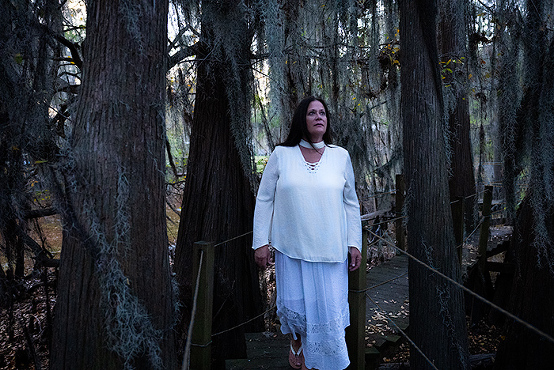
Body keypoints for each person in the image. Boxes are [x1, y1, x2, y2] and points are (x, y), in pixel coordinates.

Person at [252, 96, 362, 370]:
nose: (319, 117)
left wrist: (354, 243)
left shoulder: (340, 156)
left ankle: (328, 359)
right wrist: (260, 243)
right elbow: (265, 199)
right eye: (312, 113)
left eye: (323, 112)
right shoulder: (281, 155)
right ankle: (298, 341)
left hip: (331, 248)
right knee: (297, 305)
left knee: (329, 307)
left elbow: (351, 203)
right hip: (292, 247)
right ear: (302, 119)